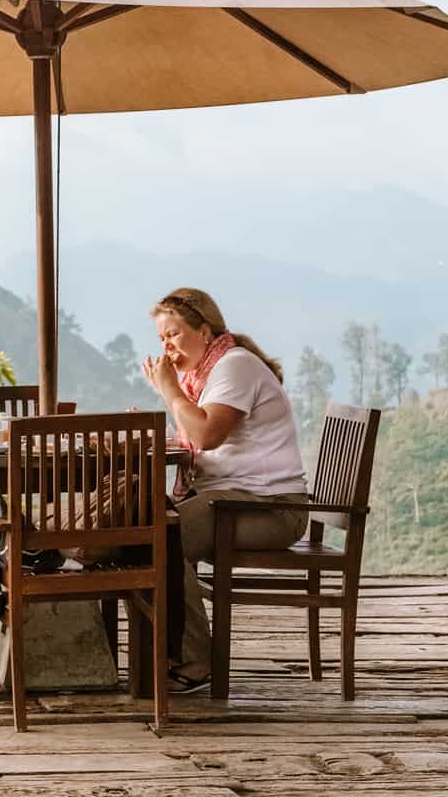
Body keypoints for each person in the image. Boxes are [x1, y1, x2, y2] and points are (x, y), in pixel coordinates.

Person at [140, 287, 310, 693]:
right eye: (162, 338)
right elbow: (198, 438)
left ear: (205, 331)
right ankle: (167, 654)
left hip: (271, 509)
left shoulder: (234, 367)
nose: (167, 347)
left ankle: (197, 661)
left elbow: (208, 435)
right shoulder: (207, 375)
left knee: (161, 535)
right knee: (147, 527)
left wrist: (169, 390)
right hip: (233, 501)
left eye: (174, 334)